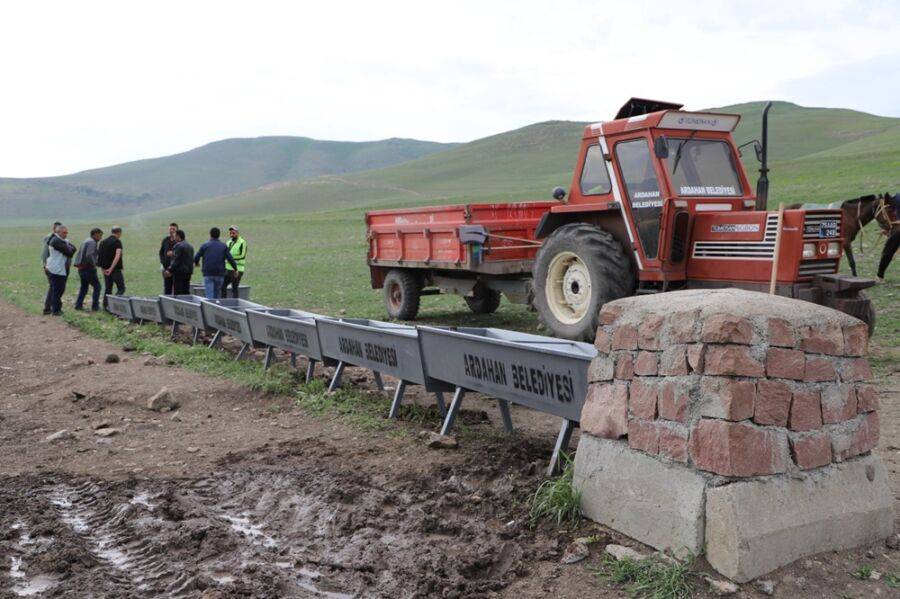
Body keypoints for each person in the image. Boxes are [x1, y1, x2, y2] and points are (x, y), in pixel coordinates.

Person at [193, 227, 237, 299]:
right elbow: (230, 259)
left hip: (208, 274)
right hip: (220, 274)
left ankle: (210, 309)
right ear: (219, 235)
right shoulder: (223, 246)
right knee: (217, 297)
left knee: (209, 297)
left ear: (210, 235)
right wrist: (235, 269)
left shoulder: (205, 245)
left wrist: (197, 263)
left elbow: (196, 257)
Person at [45, 224, 76, 316]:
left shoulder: (61, 240)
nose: (66, 234)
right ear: (58, 232)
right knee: (58, 290)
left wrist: (68, 246)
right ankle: (56, 310)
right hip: (56, 269)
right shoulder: (56, 240)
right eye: (64, 232)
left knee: (55, 290)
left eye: (66, 232)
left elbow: (74, 248)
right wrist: (68, 246)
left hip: (57, 268)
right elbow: (70, 252)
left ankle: (49, 309)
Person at [73, 227, 103, 311]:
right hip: (88, 269)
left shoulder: (86, 240)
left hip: (81, 268)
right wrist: (94, 264)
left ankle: (78, 306)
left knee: (84, 288)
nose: (101, 238)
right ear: (95, 234)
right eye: (100, 235)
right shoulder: (92, 242)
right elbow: (89, 255)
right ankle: (95, 307)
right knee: (97, 287)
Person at [97, 226, 125, 309]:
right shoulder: (117, 242)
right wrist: (111, 268)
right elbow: (118, 255)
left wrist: (103, 269)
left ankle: (105, 306)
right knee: (121, 288)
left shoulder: (102, 242)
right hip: (115, 270)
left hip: (105, 270)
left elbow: (100, 256)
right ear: (119, 233)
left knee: (108, 289)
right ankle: (114, 305)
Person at [876, 191, 899, 282]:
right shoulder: (895, 200)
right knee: (888, 251)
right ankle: (880, 276)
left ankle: (879, 276)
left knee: (888, 251)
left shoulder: (897, 201)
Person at [40, 221, 62, 314]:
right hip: (50, 267)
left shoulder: (52, 238)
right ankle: (50, 308)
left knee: (53, 287)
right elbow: (45, 253)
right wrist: (45, 265)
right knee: (55, 287)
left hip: (51, 266)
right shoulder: (51, 239)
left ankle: (50, 307)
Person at [165, 229, 194, 295]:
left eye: (175, 236)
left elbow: (176, 260)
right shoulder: (190, 246)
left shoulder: (178, 246)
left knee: (178, 292)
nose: (174, 238)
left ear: (178, 236)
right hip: (188, 272)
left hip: (179, 273)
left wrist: (169, 270)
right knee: (186, 291)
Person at [224, 225, 247, 298]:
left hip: (238, 269)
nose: (231, 235)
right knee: (223, 286)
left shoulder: (242, 242)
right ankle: (224, 303)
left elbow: (242, 255)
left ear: (237, 233)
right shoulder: (228, 242)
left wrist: (230, 258)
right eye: (230, 233)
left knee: (234, 287)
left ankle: (235, 303)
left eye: (233, 233)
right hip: (228, 268)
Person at [158, 222, 179, 294]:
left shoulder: (179, 241)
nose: (171, 230)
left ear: (177, 231)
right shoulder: (165, 240)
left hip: (176, 269)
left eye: (173, 229)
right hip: (166, 268)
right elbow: (161, 252)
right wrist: (163, 262)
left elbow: (182, 254)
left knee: (177, 289)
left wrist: (173, 254)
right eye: (170, 229)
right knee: (167, 288)